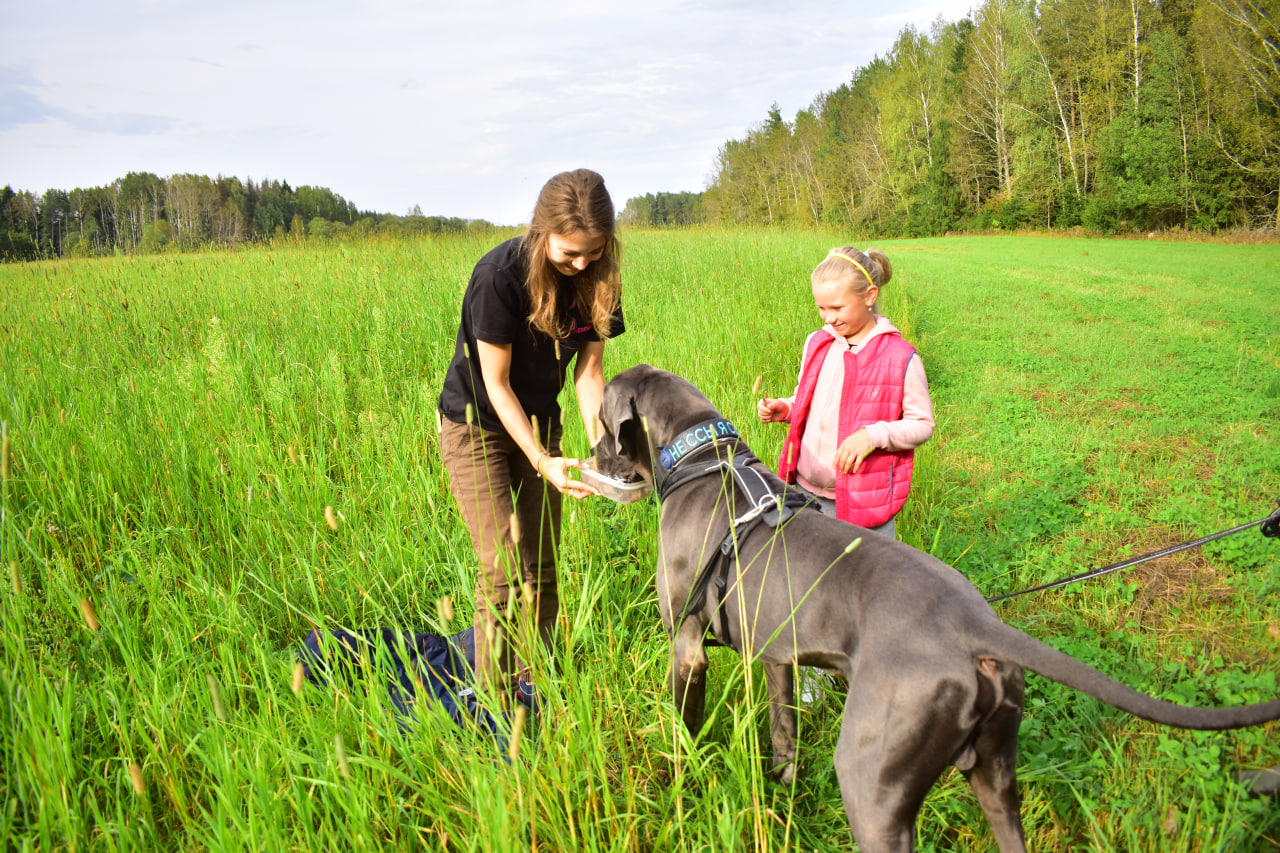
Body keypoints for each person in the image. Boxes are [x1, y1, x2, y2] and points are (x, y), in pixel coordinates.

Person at [437, 168, 623, 716]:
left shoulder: (600, 278)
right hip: (477, 426)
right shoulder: (499, 276)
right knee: (502, 571)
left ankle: (532, 684)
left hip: (542, 422)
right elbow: (495, 384)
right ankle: (492, 706)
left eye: (594, 251)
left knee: (541, 567)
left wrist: (603, 448)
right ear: (542, 233)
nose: (582, 264)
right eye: (569, 254)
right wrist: (541, 460)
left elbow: (589, 373)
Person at [757, 246, 934, 541]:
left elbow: (922, 424)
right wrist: (786, 408)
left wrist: (872, 436)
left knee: (865, 569)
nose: (828, 318)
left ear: (870, 296)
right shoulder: (817, 343)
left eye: (837, 308)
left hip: (862, 503)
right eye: (821, 308)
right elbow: (806, 398)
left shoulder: (900, 357)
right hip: (805, 493)